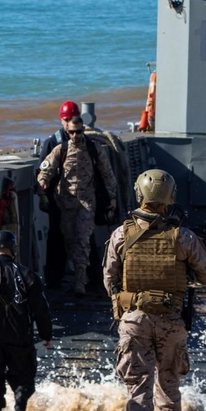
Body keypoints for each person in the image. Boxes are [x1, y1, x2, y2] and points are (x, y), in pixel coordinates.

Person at [104, 169, 206, 411]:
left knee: (138, 393)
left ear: (140, 195)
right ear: (171, 198)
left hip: (134, 320)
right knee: (168, 389)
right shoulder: (183, 236)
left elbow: (109, 279)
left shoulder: (120, 235)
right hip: (171, 321)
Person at [38, 111, 119, 295]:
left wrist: (112, 198)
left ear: (83, 131)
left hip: (86, 202)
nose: (75, 136)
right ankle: (79, 276)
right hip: (65, 203)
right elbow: (46, 168)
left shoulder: (94, 149)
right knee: (69, 240)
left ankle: (80, 283)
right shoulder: (61, 149)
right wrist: (42, 182)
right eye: (72, 132)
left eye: (79, 132)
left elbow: (107, 174)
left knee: (82, 239)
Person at [0, 230, 52, 411]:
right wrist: (46, 335)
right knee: (24, 374)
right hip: (19, 335)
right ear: (13, 248)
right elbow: (41, 309)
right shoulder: (27, 274)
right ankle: (20, 406)